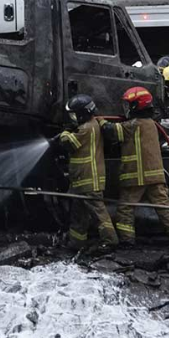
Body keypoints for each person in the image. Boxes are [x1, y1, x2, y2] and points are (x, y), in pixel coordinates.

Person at [102, 87, 169, 246]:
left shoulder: (132, 125)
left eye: (128, 105)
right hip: (156, 176)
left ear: (136, 106)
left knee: (125, 210)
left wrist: (101, 121)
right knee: (164, 209)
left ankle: (127, 241)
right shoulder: (152, 124)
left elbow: (111, 131)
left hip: (136, 177)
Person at [53, 95, 119, 249]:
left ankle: (110, 241)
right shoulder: (91, 125)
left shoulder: (87, 128)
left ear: (83, 113)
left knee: (98, 214)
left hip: (89, 180)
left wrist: (65, 132)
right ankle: (76, 242)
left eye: (74, 115)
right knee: (79, 215)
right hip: (81, 181)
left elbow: (69, 143)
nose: (73, 118)